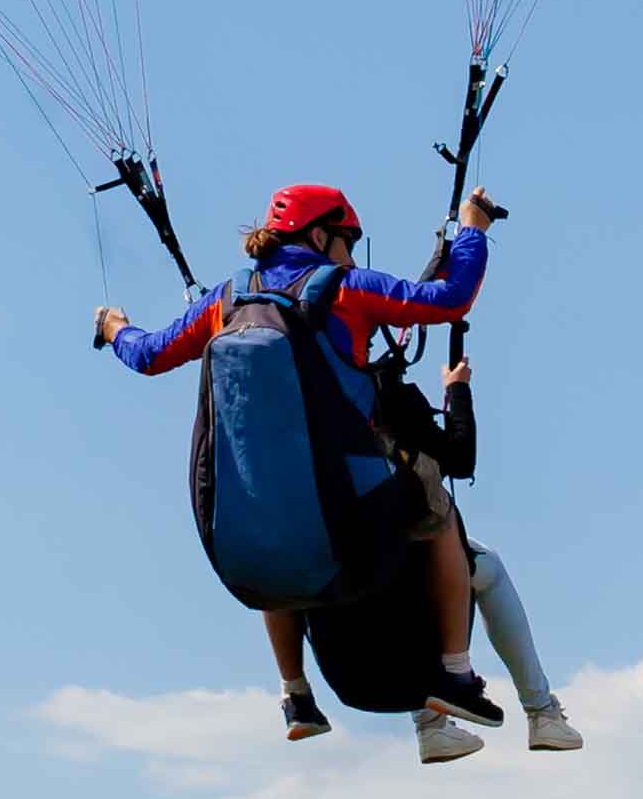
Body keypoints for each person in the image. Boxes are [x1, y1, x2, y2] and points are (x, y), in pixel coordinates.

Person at [97, 184, 506, 755]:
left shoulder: (225, 301)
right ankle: (456, 675)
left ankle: (295, 695)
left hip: (244, 527)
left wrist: (116, 328)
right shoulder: (347, 291)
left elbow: (149, 355)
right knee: (439, 507)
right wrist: (472, 231)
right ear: (320, 236)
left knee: (269, 505)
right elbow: (450, 299)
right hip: (351, 511)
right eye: (347, 243)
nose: (351, 256)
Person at [368, 341, 580, 754]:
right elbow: (460, 459)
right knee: (483, 565)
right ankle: (541, 712)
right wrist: (457, 390)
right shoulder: (382, 391)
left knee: (421, 564)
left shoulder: (309, 394)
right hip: (402, 547)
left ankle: (429, 724)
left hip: (336, 547)